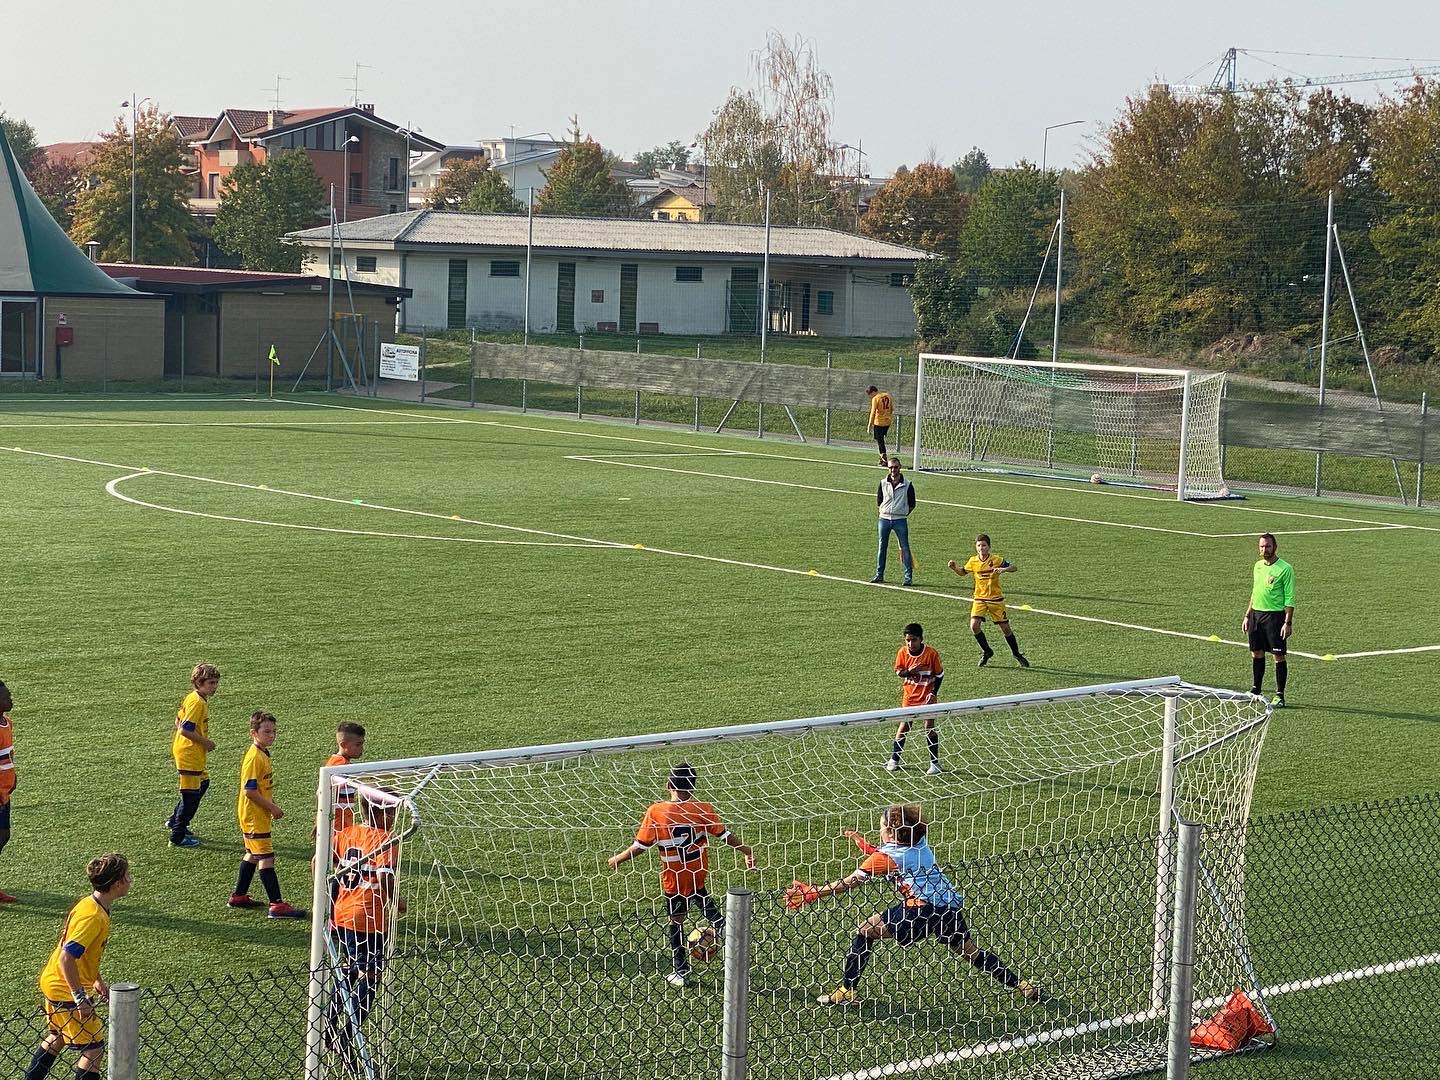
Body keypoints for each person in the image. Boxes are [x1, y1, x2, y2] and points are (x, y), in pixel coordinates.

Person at [783, 804, 1041, 1007]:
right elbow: (895, 852)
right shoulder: (920, 843)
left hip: (921, 910)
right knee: (970, 952)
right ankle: (1021, 984)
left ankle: (846, 990)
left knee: (865, 930)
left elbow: (849, 883)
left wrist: (812, 893)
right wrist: (868, 847)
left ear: (892, 833)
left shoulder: (886, 858)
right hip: (948, 905)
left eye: (882, 826)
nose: (880, 829)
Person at [608, 762, 756, 988]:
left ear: (668, 784)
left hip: (674, 876)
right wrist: (746, 851)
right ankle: (721, 926)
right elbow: (724, 835)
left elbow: (641, 846)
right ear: (693, 787)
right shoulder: (702, 808)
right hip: (697, 870)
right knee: (699, 894)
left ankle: (681, 969)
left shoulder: (656, 811)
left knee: (675, 921)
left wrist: (618, 858)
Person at [25, 853, 132, 1080]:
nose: (131, 880)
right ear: (116, 884)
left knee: (58, 1036)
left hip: (54, 981)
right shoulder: (93, 917)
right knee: (93, 1051)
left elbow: (85, 953)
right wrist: (80, 997)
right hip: (65, 988)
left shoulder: (90, 903)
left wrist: (96, 979)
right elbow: (67, 957)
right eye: (127, 876)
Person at [325, 792, 399, 1067]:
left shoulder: (347, 833)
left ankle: (330, 1025)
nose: (393, 818)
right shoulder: (384, 840)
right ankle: (345, 1038)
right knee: (371, 978)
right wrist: (396, 902)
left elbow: (317, 862)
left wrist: (328, 901)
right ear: (380, 813)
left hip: (342, 914)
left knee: (350, 969)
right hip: (367, 918)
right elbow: (384, 876)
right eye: (391, 812)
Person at [229, 711, 306, 919]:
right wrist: (272, 807)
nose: (271, 735)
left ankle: (239, 895)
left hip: (253, 814)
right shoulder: (254, 757)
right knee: (267, 858)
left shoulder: (261, 753)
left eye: (274, 731)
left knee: (253, 855)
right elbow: (250, 791)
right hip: (254, 816)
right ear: (253, 733)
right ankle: (277, 905)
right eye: (266, 731)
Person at [949, 535, 1029, 668]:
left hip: (996, 600)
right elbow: (963, 572)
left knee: (1005, 629)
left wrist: (1005, 569)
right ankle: (987, 651)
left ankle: (1016, 653)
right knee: (974, 626)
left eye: (984, 545)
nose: (981, 548)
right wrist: (954, 567)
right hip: (979, 599)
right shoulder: (973, 561)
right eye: (979, 545)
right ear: (976, 547)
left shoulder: (996, 559)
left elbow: (1014, 567)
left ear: (989, 547)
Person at [166, 663, 220, 848]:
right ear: (198, 682)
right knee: (190, 796)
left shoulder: (194, 698)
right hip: (189, 753)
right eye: (211, 683)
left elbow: (178, 720)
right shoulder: (197, 702)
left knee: (203, 783)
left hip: (191, 752)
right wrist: (206, 742)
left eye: (216, 683)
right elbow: (185, 730)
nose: (214, 686)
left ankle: (175, 820)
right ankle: (177, 835)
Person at [1243, 533, 1295, 707]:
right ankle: (1256, 689)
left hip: (1275, 617)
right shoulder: (1257, 566)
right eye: (1262, 547)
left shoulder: (1285, 568)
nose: (1265, 550)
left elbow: (1289, 598)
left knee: (1278, 656)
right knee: (1256, 652)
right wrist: (1248, 615)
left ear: (1275, 547)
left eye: (1268, 546)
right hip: (1257, 615)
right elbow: (1255, 591)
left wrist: (1287, 623)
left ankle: (1280, 695)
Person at [887, 623, 944, 775]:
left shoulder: (931, 654)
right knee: (905, 726)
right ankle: (894, 759)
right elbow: (899, 672)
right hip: (910, 697)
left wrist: (933, 693)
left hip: (927, 696)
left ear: (921, 639)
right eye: (908, 640)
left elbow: (939, 675)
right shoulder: (902, 652)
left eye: (914, 640)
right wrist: (909, 672)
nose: (910, 644)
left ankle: (935, 764)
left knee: (929, 727)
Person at [872, 456, 916, 587]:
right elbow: (879, 501)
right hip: (884, 519)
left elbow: (912, 503)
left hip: (900, 520)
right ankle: (879, 574)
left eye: (895, 467)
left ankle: (908, 577)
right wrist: (884, 512)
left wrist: (902, 512)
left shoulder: (907, 484)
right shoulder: (883, 482)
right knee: (882, 547)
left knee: (905, 548)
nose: (893, 470)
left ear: (900, 467)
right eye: (890, 467)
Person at [326, 722, 367, 834]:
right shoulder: (340, 766)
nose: (362, 748)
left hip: (343, 819)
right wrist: (321, 819)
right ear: (343, 745)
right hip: (338, 821)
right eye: (358, 745)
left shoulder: (340, 762)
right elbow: (324, 793)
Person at [0, 679, 16, 902]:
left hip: (5, 792)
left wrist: (13, 778)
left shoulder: (7, 723)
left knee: (3, 836)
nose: (11, 698)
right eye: (6, 696)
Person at [866, 386, 895, 465]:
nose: (870, 396)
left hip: (879, 422)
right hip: (887, 422)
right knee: (880, 439)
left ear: (873, 392)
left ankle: (884, 459)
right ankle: (882, 458)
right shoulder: (888, 395)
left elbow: (873, 412)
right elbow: (892, 409)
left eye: (870, 394)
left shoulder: (875, 398)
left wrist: (869, 425)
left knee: (880, 441)